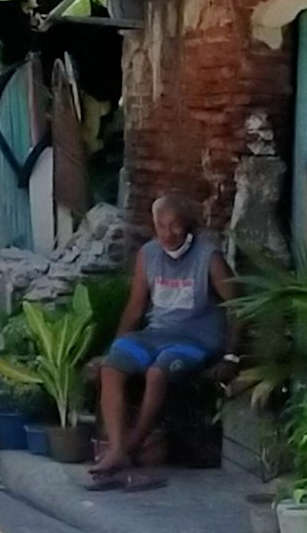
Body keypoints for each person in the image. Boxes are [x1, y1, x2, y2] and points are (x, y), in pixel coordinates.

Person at [89, 194, 240, 486]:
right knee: (111, 367)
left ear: (188, 227)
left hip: (196, 339)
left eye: (175, 226)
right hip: (155, 334)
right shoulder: (148, 255)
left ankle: (126, 449)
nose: (168, 233)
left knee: (158, 372)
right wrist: (115, 347)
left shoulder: (209, 258)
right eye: (161, 226)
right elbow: (135, 308)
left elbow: (238, 306)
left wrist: (231, 356)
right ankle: (119, 449)